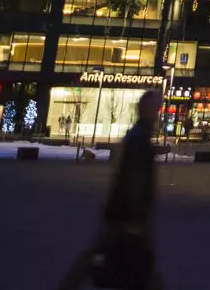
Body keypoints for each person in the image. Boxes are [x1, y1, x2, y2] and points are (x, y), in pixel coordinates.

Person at [58, 89, 164, 290]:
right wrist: (136, 214)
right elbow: (134, 179)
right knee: (137, 262)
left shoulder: (136, 135)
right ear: (148, 110)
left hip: (122, 211)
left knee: (99, 255)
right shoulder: (140, 138)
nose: (158, 113)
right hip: (128, 214)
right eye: (156, 108)